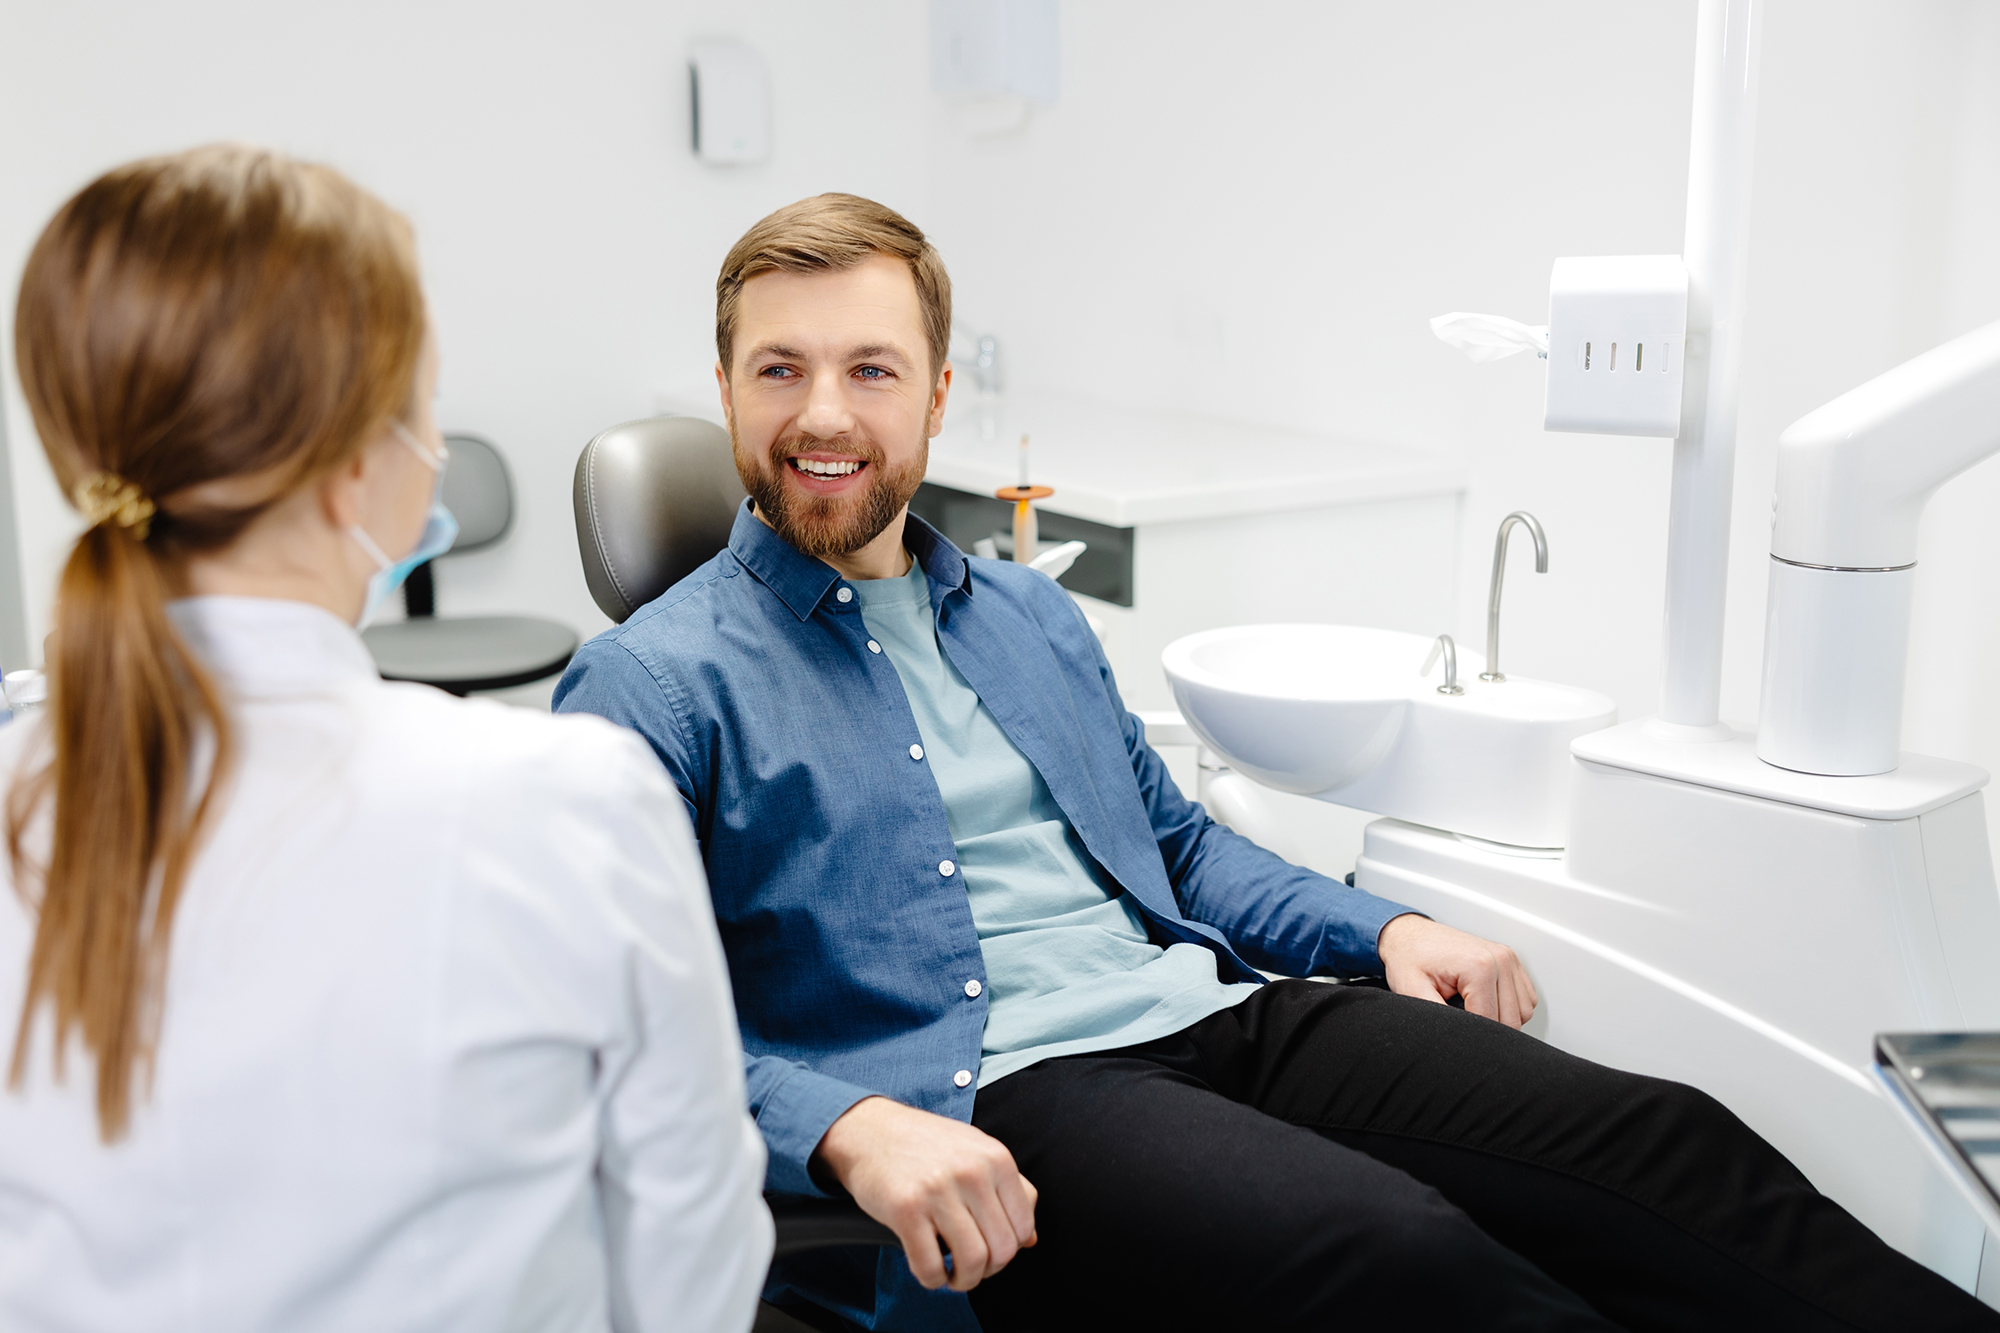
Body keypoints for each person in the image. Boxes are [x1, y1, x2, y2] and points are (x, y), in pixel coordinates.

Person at [553, 193, 2000, 1333]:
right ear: (729, 392)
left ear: (936, 398)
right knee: (1402, 1258)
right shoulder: (650, 684)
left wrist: (1385, 926)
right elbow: (609, 1019)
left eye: (868, 368)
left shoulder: (1025, 615)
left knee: (1657, 1144)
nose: (821, 413)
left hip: (1223, 1012)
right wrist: (850, 1124)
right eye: (779, 369)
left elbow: (1177, 851)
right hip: (1002, 1087)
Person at [0, 146, 771, 1332]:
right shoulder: (565, 806)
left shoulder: (24, 790)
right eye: (424, 397)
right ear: (358, 463)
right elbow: (690, 1273)